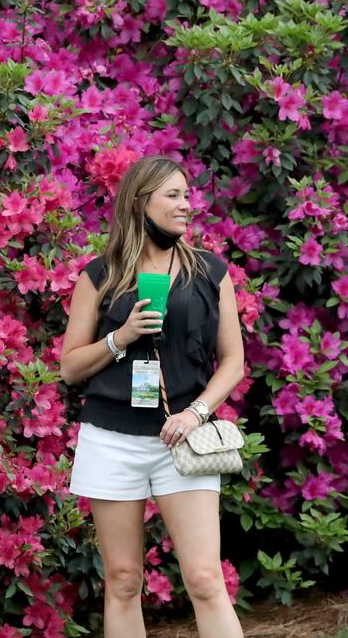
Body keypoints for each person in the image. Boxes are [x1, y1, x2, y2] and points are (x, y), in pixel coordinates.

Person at [60, 156, 245, 638]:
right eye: (173, 196)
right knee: (122, 580)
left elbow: (233, 362)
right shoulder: (100, 275)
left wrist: (196, 413)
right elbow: (70, 366)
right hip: (112, 438)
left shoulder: (209, 272)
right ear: (140, 202)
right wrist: (120, 337)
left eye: (187, 195)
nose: (186, 205)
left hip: (182, 439)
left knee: (205, 579)